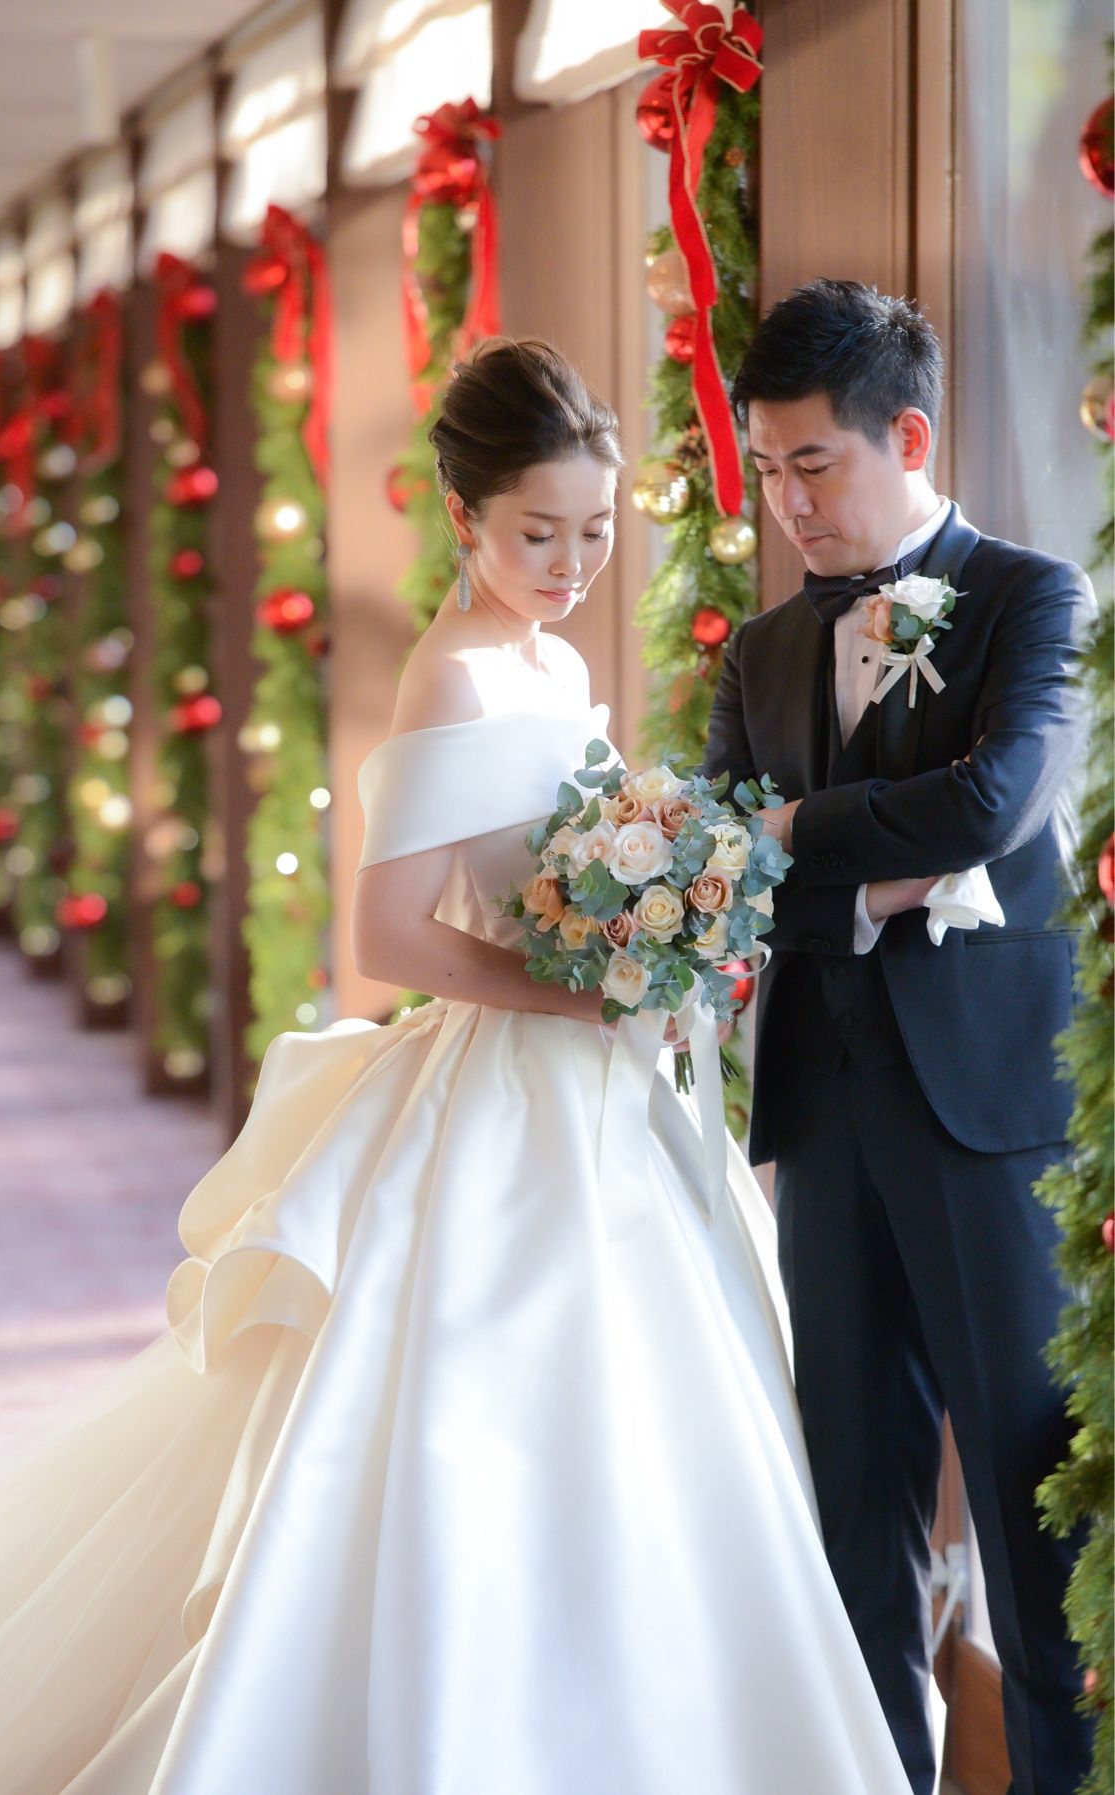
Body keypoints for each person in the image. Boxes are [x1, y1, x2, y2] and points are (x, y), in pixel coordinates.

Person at [0, 338, 915, 1795]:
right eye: (537, 533)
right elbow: (389, 935)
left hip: (604, 1087)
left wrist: (660, 939)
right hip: (506, 1086)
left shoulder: (557, 660)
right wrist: (586, 994)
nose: (571, 564)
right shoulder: (449, 676)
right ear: (463, 517)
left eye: (594, 529)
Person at [703, 279, 1094, 1795]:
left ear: (907, 437)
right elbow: (724, 869)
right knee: (849, 1515)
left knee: (1025, 1503)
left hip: (987, 1115)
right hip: (820, 1113)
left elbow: (995, 804)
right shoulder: (758, 651)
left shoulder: (1032, 598)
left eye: (814, 465)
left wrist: (801, 837)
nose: (788, 504)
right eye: (766, 470)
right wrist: (875, 875)